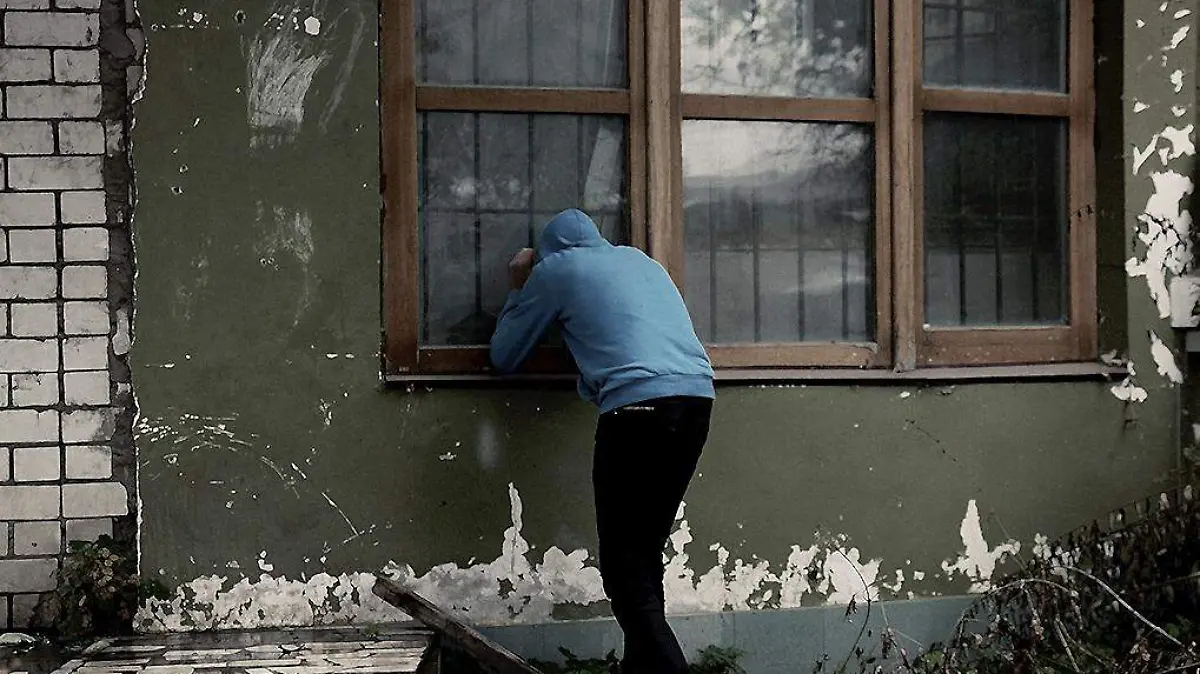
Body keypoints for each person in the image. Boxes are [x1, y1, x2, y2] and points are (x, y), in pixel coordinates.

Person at [490, 208, 715, 674]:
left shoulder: (555, 269)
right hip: (696, 401)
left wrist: (519, 285)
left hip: (637, 410)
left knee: (621, 561)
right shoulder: (642, 262)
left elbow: (505, 355)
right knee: (645, 551)